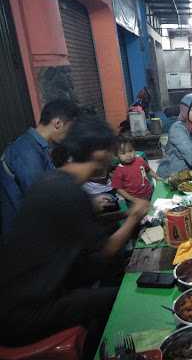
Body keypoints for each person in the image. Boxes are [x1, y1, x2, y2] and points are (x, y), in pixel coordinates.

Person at [0, 116, 149, 359]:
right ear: (99, 153)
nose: (113, 157)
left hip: (20, 298)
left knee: (117, 271)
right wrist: (134, 217)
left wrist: (123, 214)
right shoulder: (67, 191)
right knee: (124, 297)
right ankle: (107, 352)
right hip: (25, 315)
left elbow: (83, 228)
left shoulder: (54, 180)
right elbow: (105, 250)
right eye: (111, 151)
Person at [0, 99, 79, 235]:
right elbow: (41, 199)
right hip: (22, 235)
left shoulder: (38, 147)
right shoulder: (27, 151)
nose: (70, 135)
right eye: (70, 129)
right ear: (58, 123)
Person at [112, 138, 157, 202]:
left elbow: (148, 170)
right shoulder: (119, 171)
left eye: (130, 151)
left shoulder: (140, 160)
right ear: (117, 156)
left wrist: (157, 177)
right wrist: (132, 199)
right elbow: (118, 189)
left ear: (134, 150)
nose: (128, 155)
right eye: (123, 153)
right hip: (135, 199)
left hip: (149, 192)